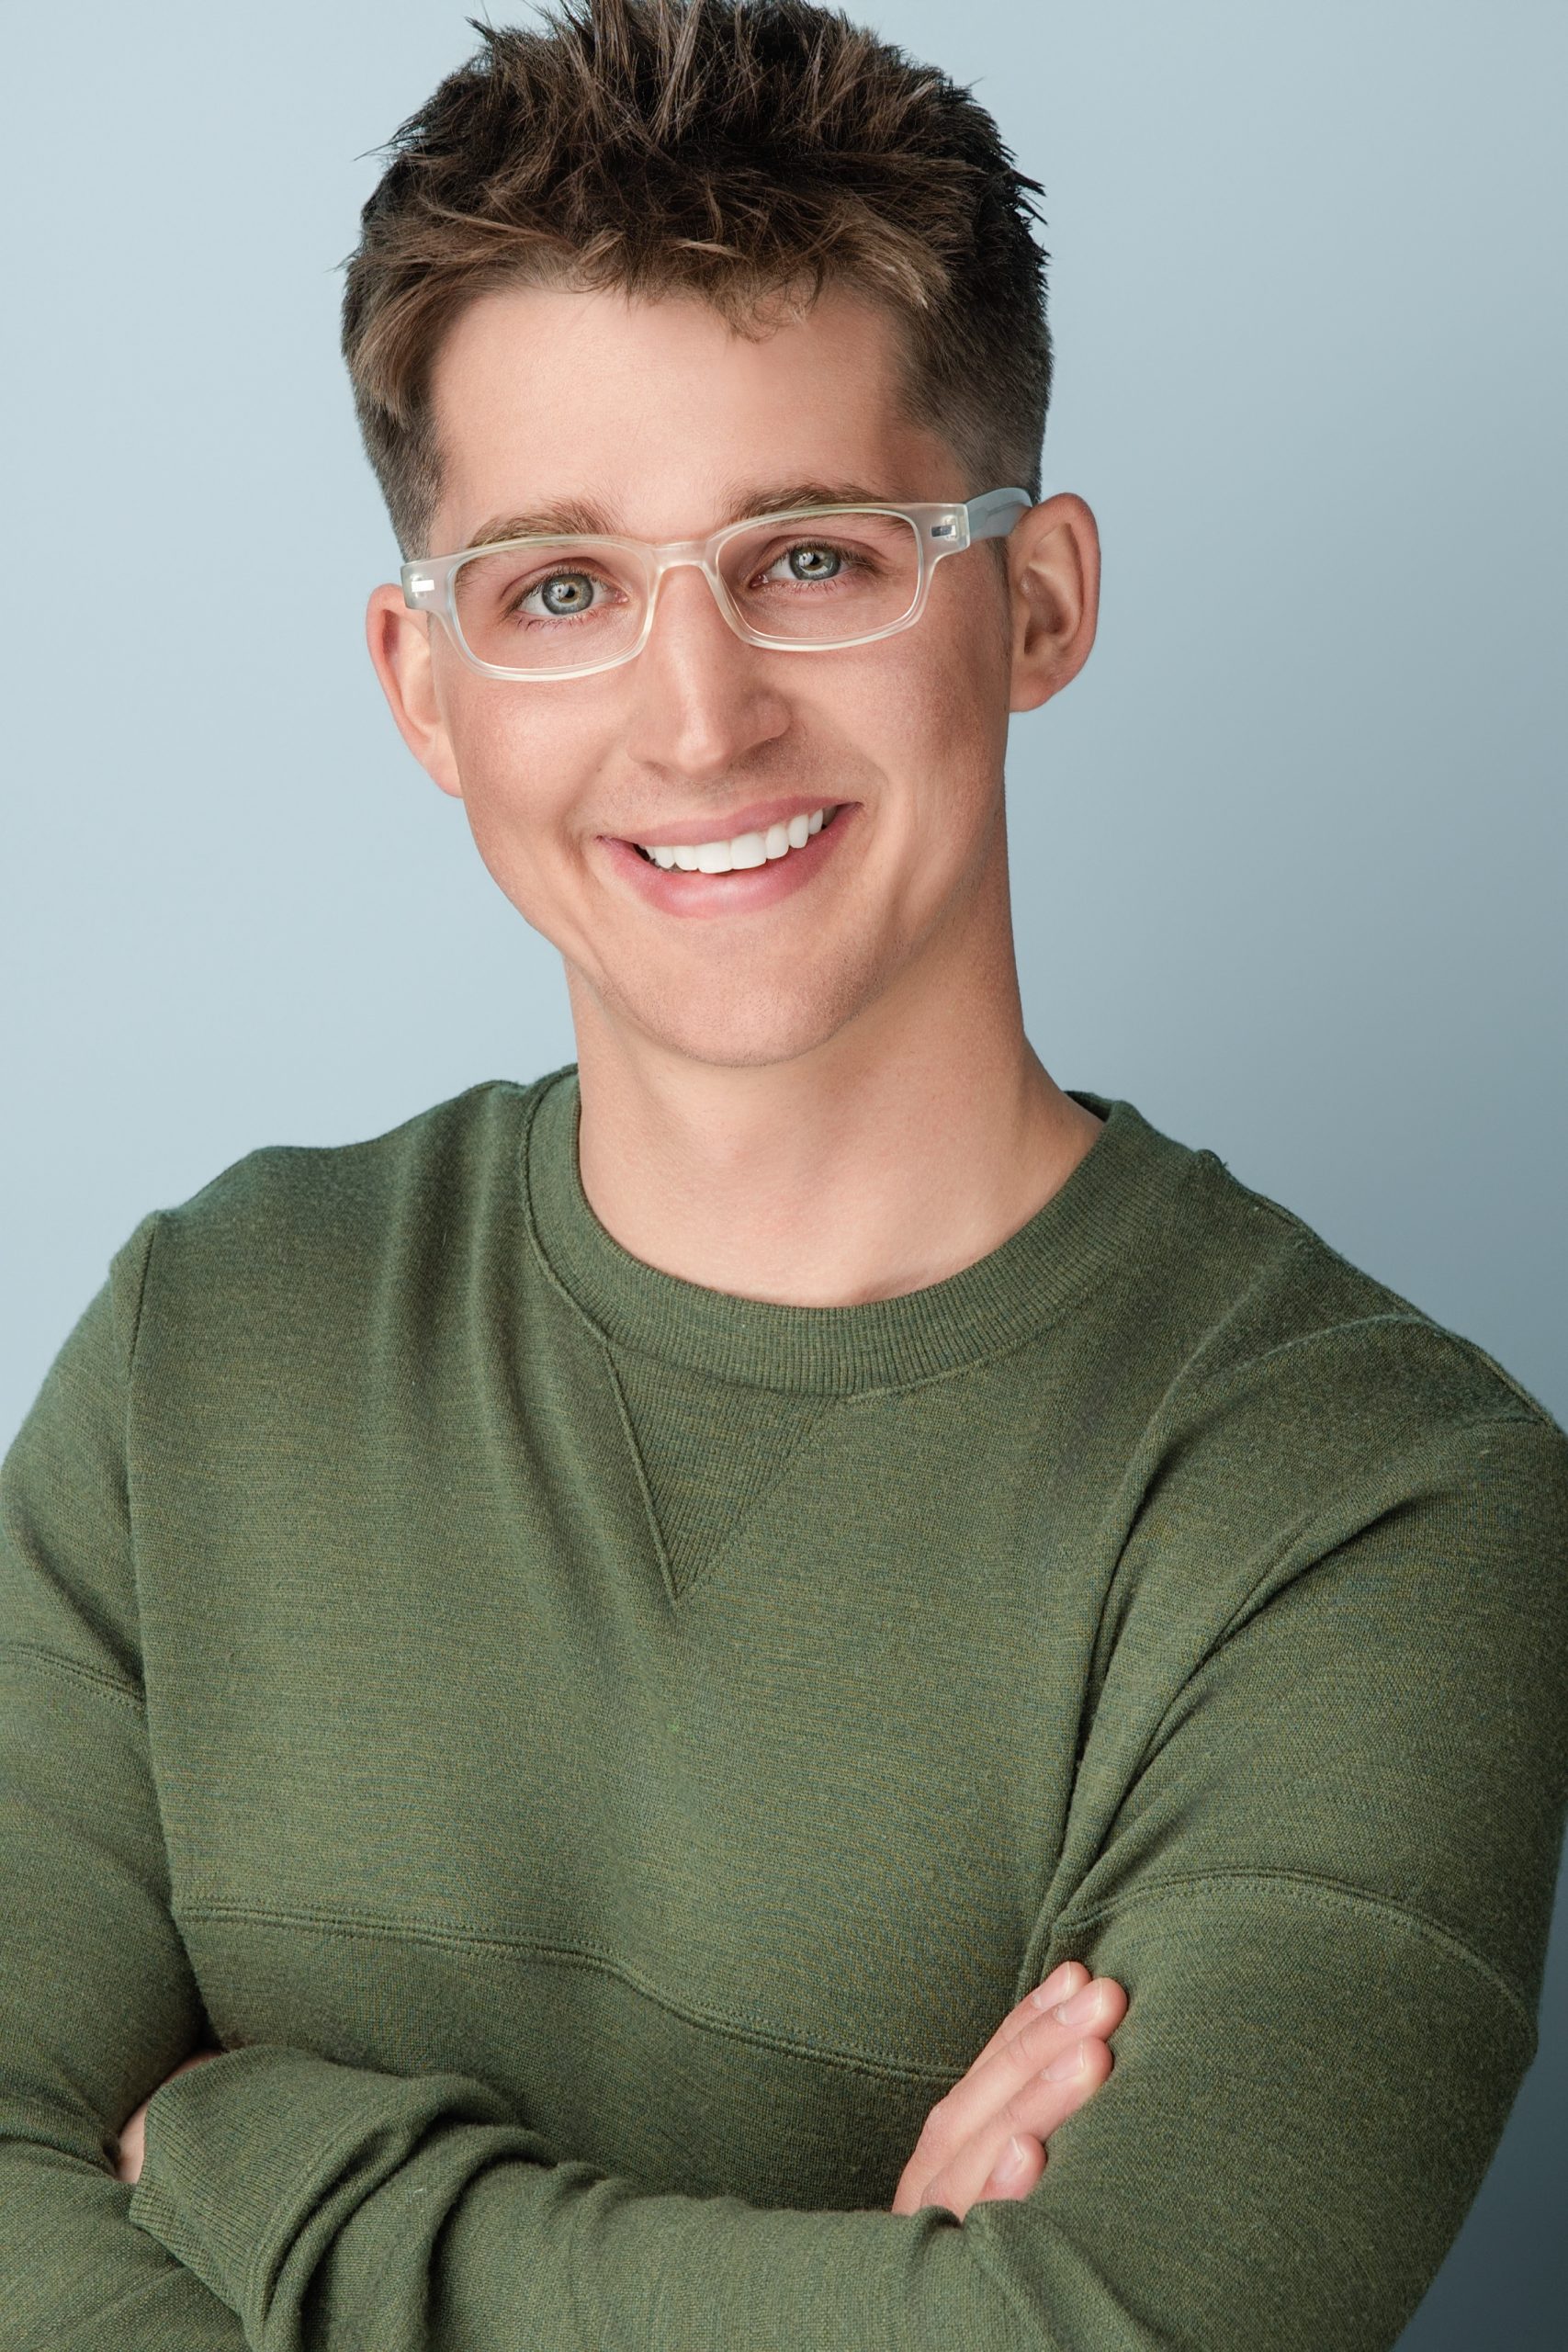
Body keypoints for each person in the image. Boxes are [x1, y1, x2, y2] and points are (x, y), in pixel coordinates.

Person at [3, 2, 1564, 2346]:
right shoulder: (205, 1341)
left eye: (813, 555)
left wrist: (277, 2169)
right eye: (555, 588)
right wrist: (869, 2293)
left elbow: (1101, 2333)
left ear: (1036, 601)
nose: (696, 714)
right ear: (423, 687)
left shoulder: (1368, 1500)